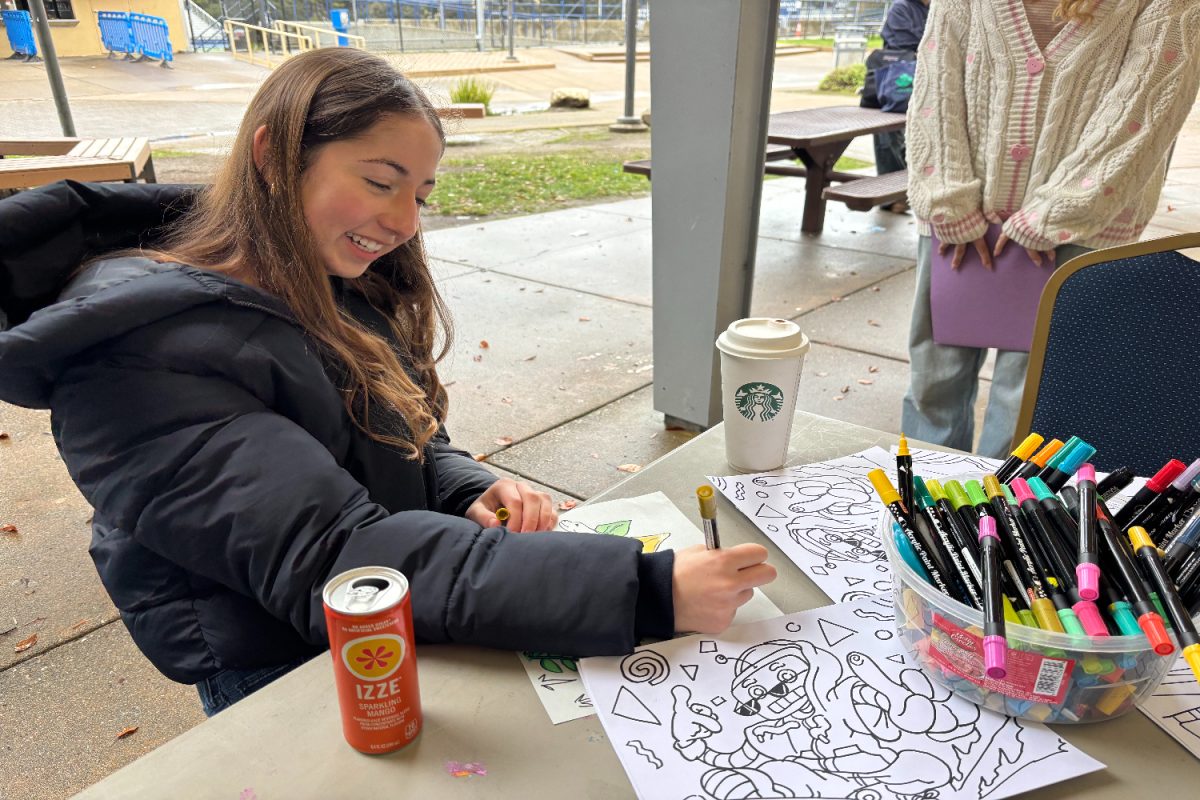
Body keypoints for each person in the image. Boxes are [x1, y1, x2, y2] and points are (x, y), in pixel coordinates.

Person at [0, 48, 776, 716]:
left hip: (407, 601)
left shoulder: (319, 270)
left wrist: (464, 485)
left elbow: (394, 432)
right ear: (274, 158)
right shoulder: (137, 358)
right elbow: (336, 555)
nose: (405, 220)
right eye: (381, 181)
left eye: (422, 194)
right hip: (281, 663)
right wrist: (644, 590)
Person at [902, 0, 1200, 458]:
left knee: (1031, 406)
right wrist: (947, 200)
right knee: (932, 386)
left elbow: (1147, 113)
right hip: (957, 219)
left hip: (1082, 227)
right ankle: (922, 504)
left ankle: (1000, 519)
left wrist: (1055, 213)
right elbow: (935, 81)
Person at [869, 0, 930, 182]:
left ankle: (911, 186)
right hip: (899, 84)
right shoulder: (901, 7)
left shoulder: (938, 8)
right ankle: (892, 193)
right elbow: (905, 43)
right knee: (889, 132)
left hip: (930, 83)